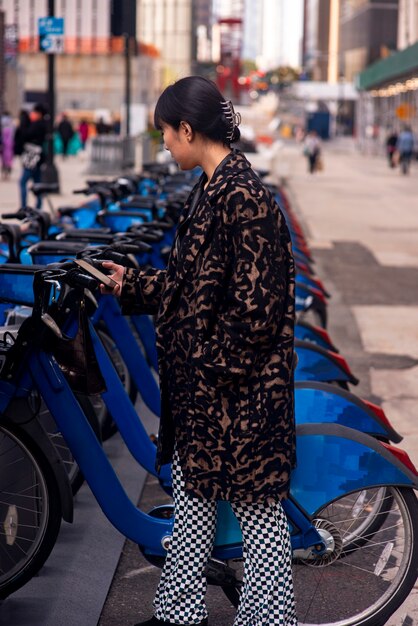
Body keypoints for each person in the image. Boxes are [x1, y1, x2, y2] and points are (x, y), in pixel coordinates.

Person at [101, 76, 297, 626]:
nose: (164, 142)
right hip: (210, 402)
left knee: (260, 520)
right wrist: (130, 284)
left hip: (242, 401)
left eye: (166, 131)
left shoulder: (244, 199)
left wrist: (203, 367)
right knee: (191, 504)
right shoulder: (211, 188)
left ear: (187, 129)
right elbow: (191, 290)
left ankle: (268, 622)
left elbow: (257, 317)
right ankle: (178, 616)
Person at [15, 104, 47, 209]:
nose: (31, 114)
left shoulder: (37, 125)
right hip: (37, 158)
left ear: (39, 114)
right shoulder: (42, 125)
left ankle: (24, 207)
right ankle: (38, 206)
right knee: (37, 183)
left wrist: (23, 123)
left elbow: (25, 135)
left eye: (34, 112)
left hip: (32, 158)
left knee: (23, 182)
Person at [1, 112, 15, 180]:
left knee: (5, 161)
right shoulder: (12, 126)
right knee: (8, 161)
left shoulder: (4, 126)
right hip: (9, 146)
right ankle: (6, 174)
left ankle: (5, 174)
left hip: (6, 146)